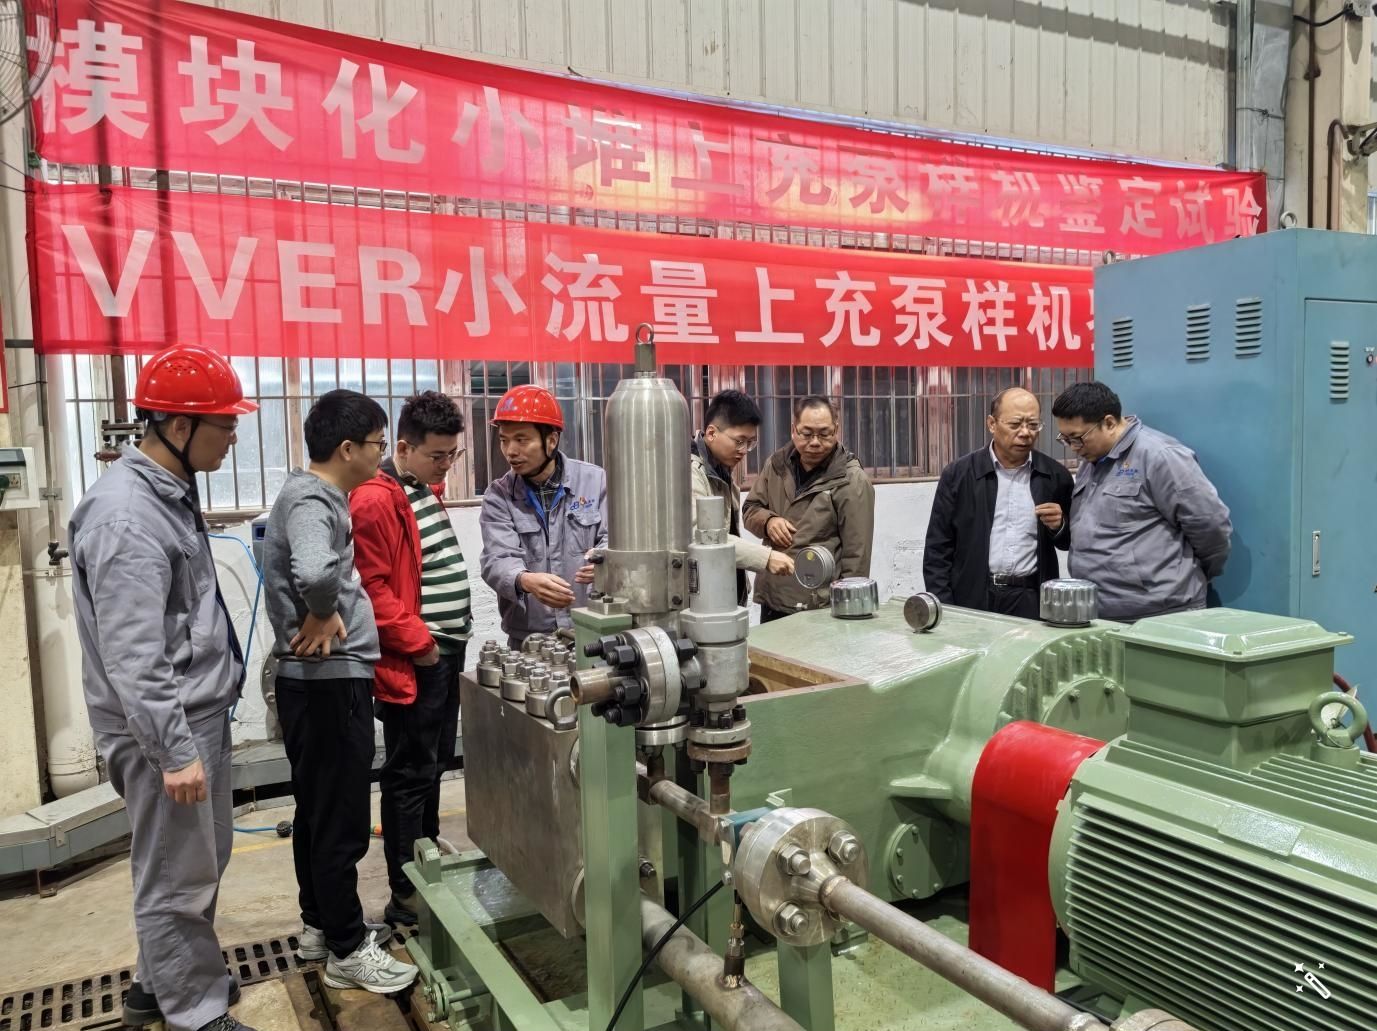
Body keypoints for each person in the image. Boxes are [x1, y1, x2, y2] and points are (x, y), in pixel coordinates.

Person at [69, 343, 258, 1031]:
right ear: (179, 426)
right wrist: (174, 751)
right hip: (164, 727)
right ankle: (195, 1012)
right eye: (224, 424)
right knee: (177, 875)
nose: (232, 436)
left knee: (196, 860)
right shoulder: (127, 516)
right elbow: (134, 655)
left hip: (192, 714)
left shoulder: (166, 493)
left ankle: (161, 982)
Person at [262, 389, 417, 993]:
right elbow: (315, 570)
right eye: (378, 444)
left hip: (317, 685)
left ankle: (321, 927)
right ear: (348, 448)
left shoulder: (314, 496)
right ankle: (348, 950)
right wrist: (324, 611)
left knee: (318, 813)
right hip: (327, 683)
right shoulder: (313, 499)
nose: (382, 455)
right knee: (343, 822)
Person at [350, 391, 470, 928]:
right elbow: (370, 587)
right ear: (402, 448)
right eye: (437, 455)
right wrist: (419, 644)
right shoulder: (377, 499)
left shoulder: (419, 488)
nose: (446, 466)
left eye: (452, 455)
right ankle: (405, 892)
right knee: (409, 772)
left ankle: (426, 864)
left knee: (433, 765)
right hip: (421, 656)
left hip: (444, 650)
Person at [1051, 380, 1232, 621]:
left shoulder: (1160, 456)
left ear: (1109, 423)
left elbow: (1210, 525)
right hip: (1099, 611)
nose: (1073, 447)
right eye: (1065, 439)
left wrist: (1186, 575)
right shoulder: (1091, 461)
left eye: (1077, 438)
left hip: (1160, 614)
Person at [923, 387, 1073, 619]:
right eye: (1015, 424)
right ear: (992, 424)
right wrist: (946, 608)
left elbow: (1068, 542)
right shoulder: (959, 474)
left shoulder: (1054, 475)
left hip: (1031, 599)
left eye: (1033, 425)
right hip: (972, 598)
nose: (1025, 433)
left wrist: (1060, 526)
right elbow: (937, 549)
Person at [479, 385, 608, 648]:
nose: (510, 451)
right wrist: (524, 580)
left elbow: (615, 540)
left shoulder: (595, 481)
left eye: (521, 440)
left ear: (551, 440)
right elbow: (497, 558)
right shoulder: (499, 496)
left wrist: (606, 564)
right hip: (530, 639)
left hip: (592, 630)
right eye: (504, 440)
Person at [742, 396, 875, 622]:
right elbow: (750, 509)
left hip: (820, 606)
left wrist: (847, 610)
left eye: (824, 434)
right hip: (774, 598)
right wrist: (768, 521)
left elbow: (857, 557)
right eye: (806, 433)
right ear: (793, 429)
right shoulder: (776, 465)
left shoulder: (851, 480)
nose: (815, 442)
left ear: (836, 430)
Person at [691, 390, 795, 605]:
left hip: (720, 594)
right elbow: (701, 537)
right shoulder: (691, 473)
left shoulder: (722, 470)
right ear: (711, 433)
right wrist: (766, 557)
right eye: (739, 441)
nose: (744, 450)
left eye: (750, 443)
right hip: (700, 599)